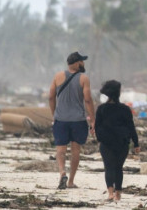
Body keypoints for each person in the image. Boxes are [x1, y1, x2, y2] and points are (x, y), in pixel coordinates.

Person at [48, 51, 95, 190]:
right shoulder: (83, 78)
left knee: (60, 149)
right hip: (78, 120)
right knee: (75, 151)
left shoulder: (57, 76)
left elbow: (51, 97)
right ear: (76, 63)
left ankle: (62, 172)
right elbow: (87, 99)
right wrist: (93, 119)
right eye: (82, 61)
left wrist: (54, 114)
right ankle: (71, 181)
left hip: (60, 119)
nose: (83, 63)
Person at [95, 80, 140, 202]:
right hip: (122, 142)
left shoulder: (101, 109)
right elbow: (131, 127)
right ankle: (118, 193)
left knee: (109, 167)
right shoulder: (125, 109)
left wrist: (100, 139)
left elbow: (97, 126)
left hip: (106, 143)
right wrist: (136, 143)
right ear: (118, 93)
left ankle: (110, 193)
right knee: (118, 167)